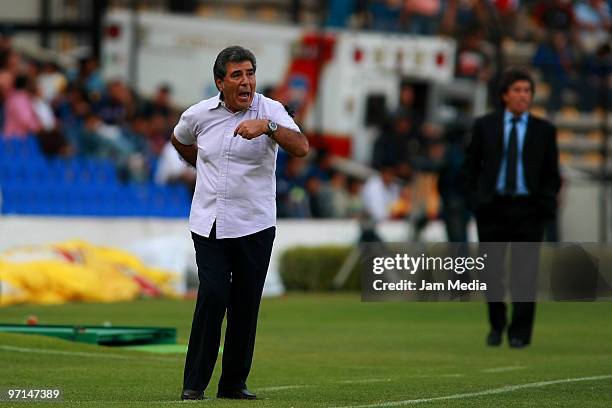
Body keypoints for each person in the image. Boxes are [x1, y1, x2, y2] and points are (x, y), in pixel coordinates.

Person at [171, 46, 308, 400]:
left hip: (255, 224)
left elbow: (302, 147)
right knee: (213, 295)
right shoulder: (198, 114)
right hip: (210, 222)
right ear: (220, 82)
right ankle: (193, 384)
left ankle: (233, 384)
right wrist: (201, 168)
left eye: (250, 73)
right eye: (237, 75)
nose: (246, 81)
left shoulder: (272, 110)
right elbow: (180, 138)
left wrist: (269, 127)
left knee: (246, 304)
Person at [463, 67, 561, 349]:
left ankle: (519, 333)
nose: (523, 95)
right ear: (504, 95)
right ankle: (496, 325)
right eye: (517, 90)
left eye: (527, 91)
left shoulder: (545, 131)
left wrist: (544, 202)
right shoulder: (485, 126)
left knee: (525, 273)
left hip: (529, 210)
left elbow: (551, 174)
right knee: (491, 272)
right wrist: (476, 201)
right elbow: (470, 168)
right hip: (492, 208)